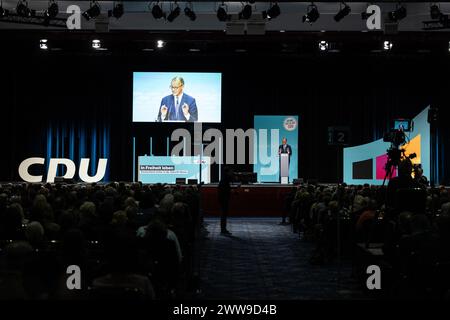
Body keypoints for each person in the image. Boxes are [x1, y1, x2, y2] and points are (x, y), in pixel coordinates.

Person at [218, 167, 233, 235]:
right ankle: (223, 230)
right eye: (230, 171)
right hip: (223, 199)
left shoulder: (224, 179)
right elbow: (225, 190)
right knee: (223, 215)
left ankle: (223, 229)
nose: (231, 173)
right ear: (227, 172)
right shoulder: (225, 180)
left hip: (223, 199)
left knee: (224, 215)